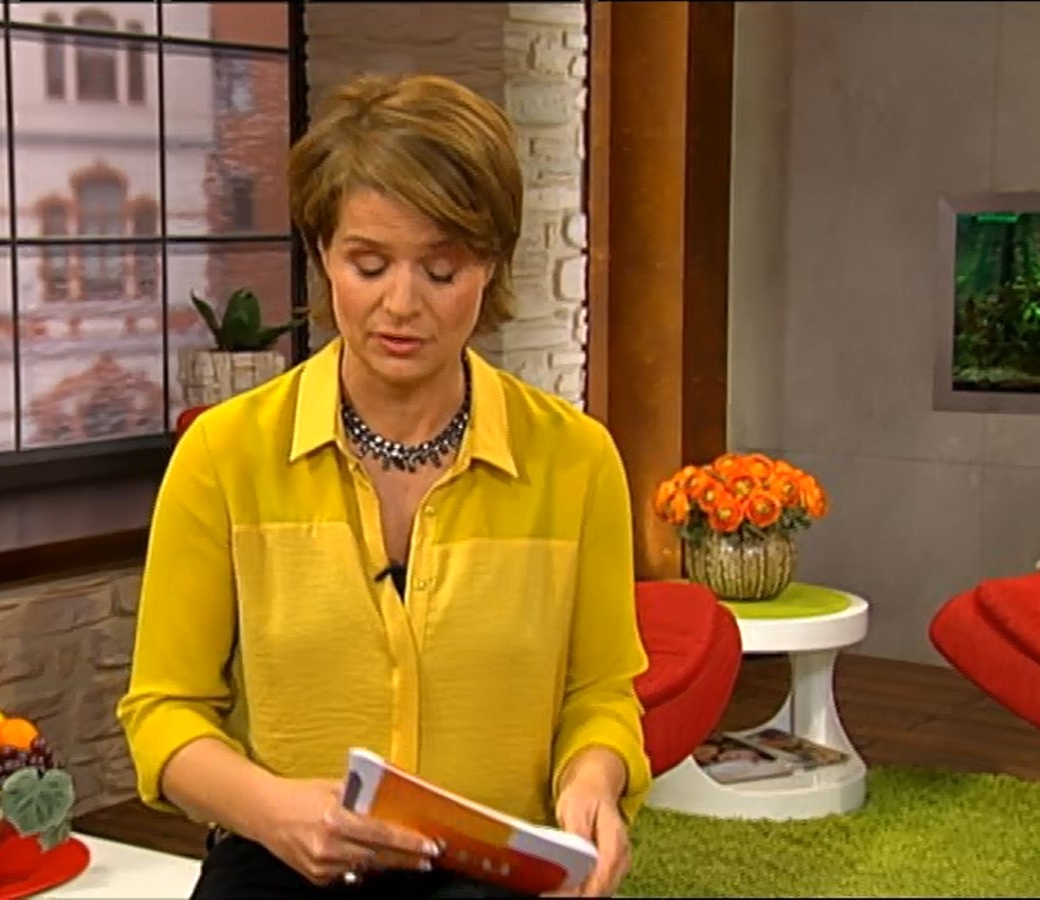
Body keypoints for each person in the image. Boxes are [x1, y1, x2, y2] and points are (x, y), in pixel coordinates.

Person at [117, 72, 652, 899]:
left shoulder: (576, 461)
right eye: (368, 264)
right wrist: (271, 811)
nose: (401, 304)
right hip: (278, 867)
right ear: (322, 254)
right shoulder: (223, 455)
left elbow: (600, 694)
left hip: (494, 877)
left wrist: (594, 779)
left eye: (442, 269)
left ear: (491, 264)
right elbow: (164, 714)